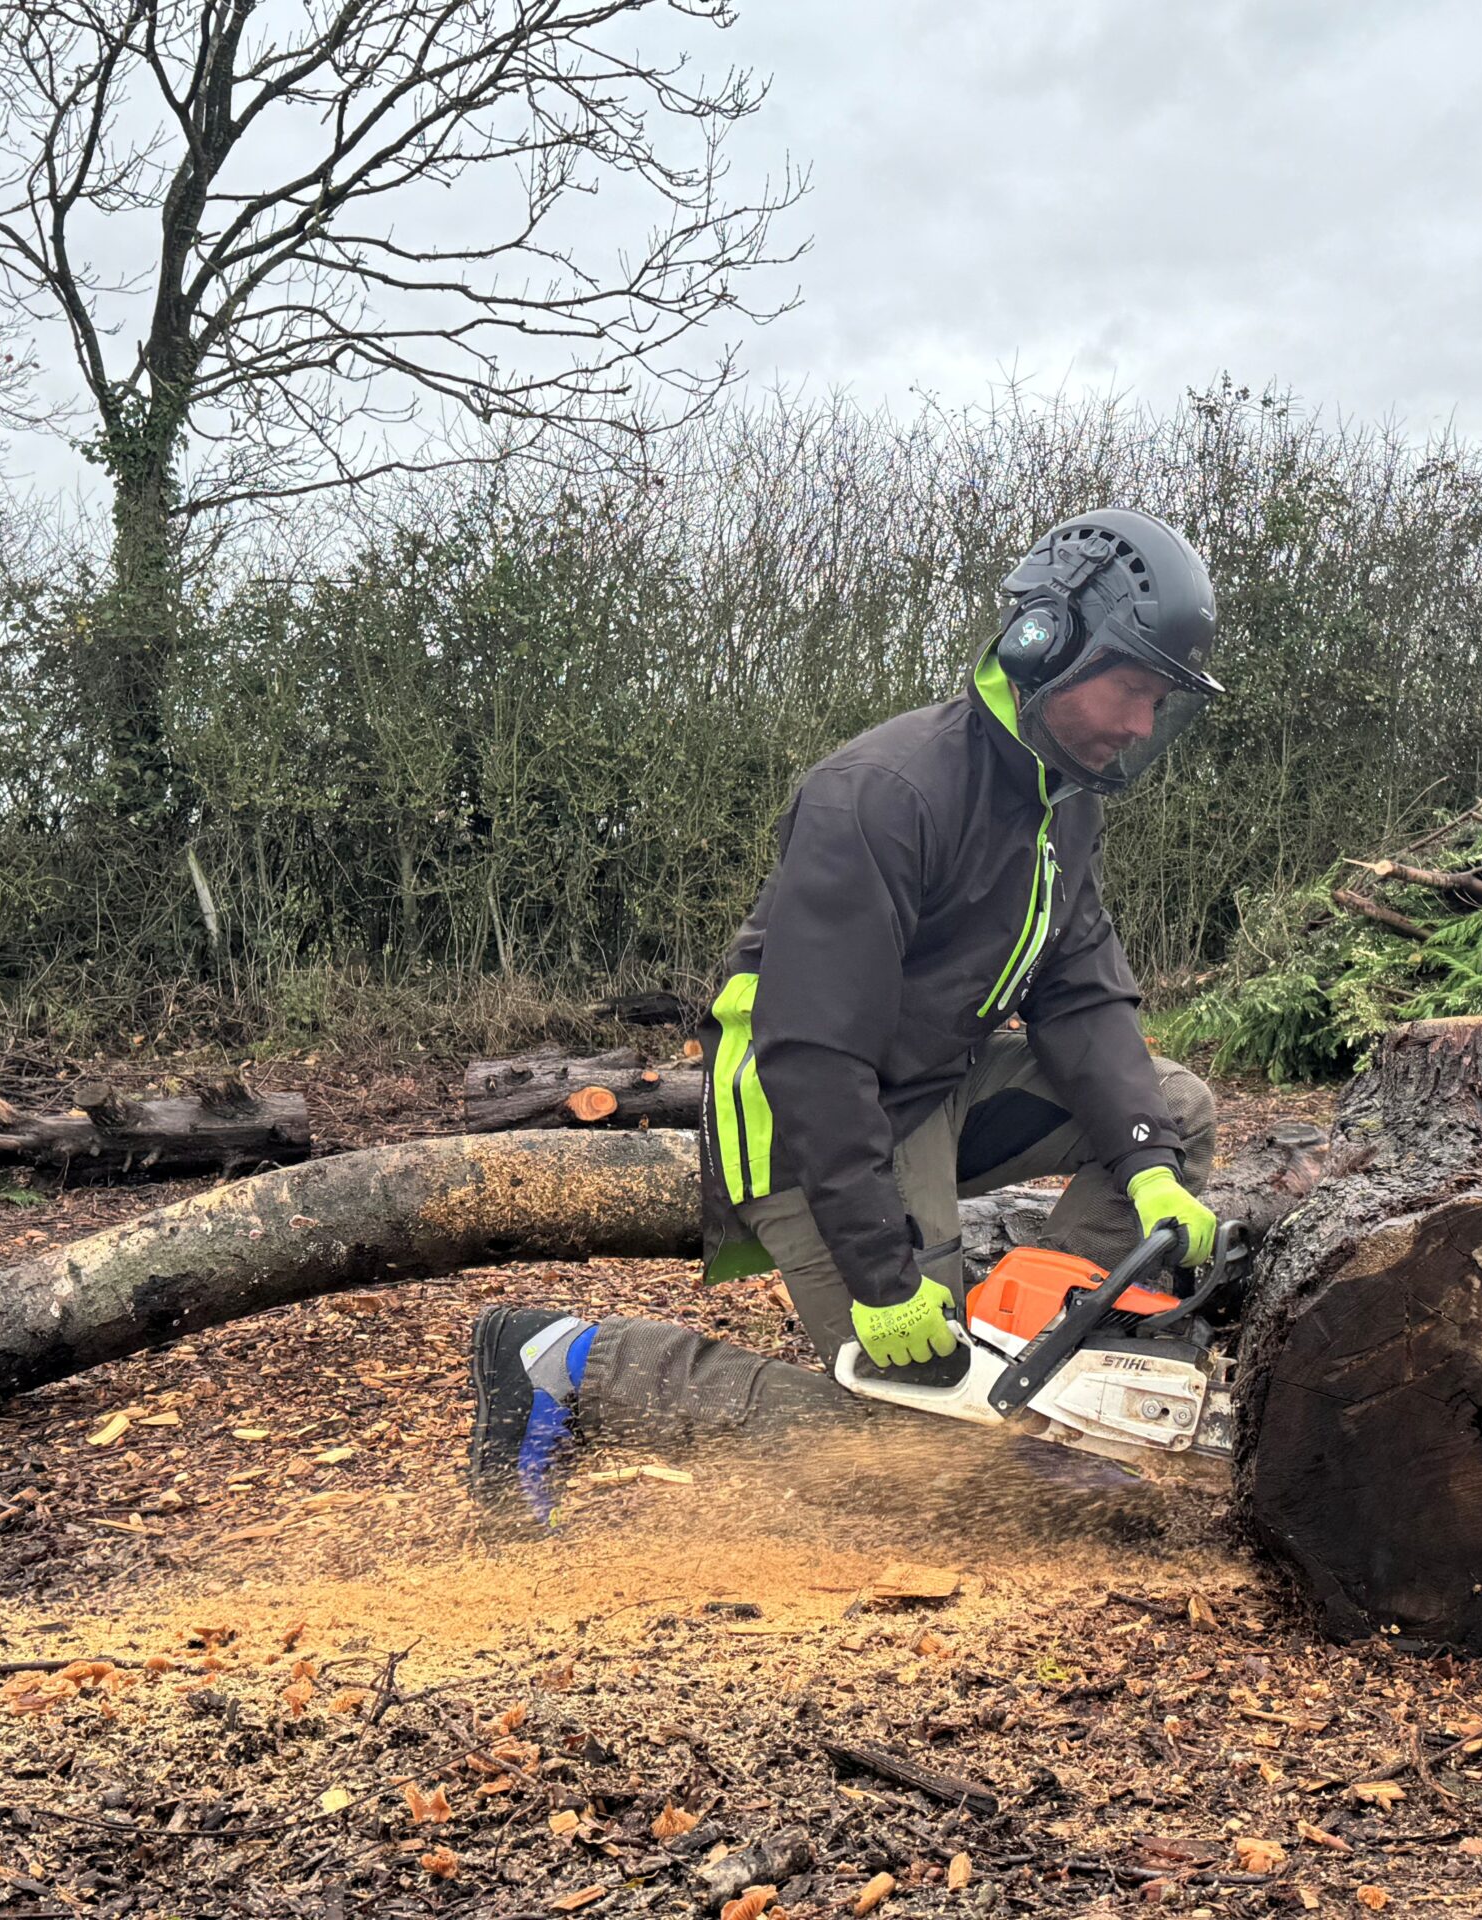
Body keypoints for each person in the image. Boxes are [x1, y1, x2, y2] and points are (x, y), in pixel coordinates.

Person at [466, 508, 1226, 1525]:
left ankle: (1039, 1375)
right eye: (1132, 689)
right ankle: (571, 1360)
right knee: (926, 1455)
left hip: (932, 1087)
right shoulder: (881, 794)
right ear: (1048, 643)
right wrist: (882, 1272)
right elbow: (814, 1057)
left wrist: (1147, 1165)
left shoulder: (1061, 801)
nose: (1140, 725)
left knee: (1172, 1108)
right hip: (803, 1116)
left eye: (1158, 701)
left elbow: (1080, 994)